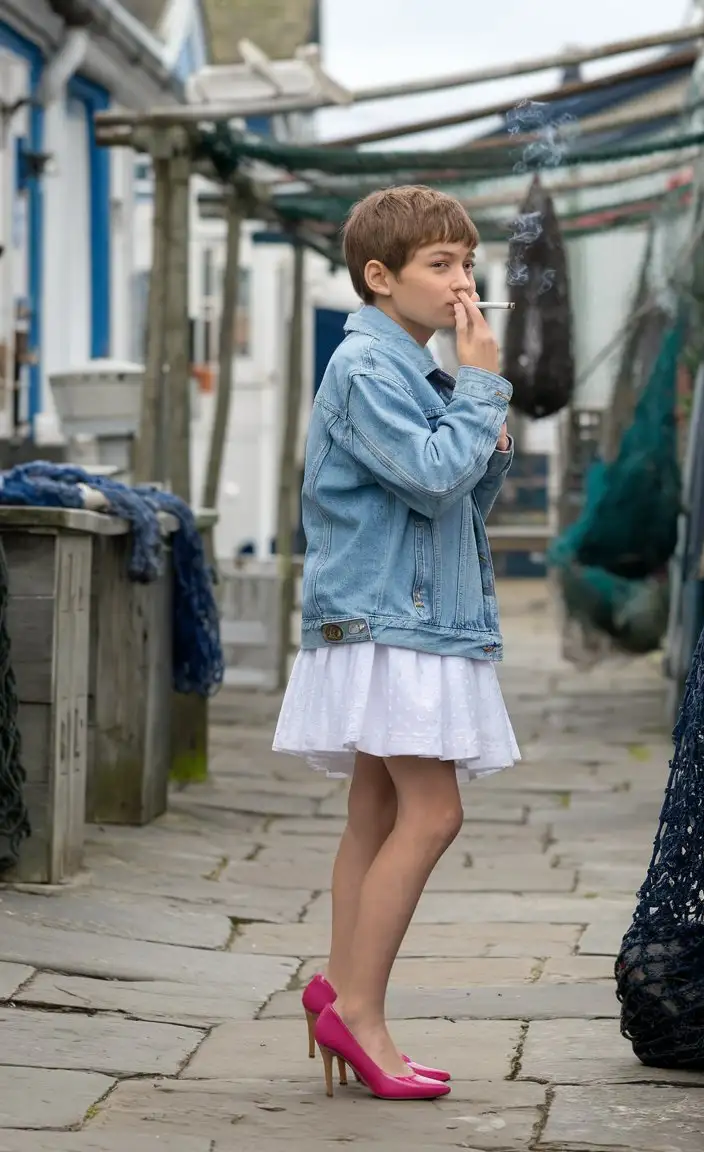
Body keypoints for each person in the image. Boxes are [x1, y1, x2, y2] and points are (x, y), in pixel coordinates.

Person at [273, 185, 521, 1101]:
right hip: (393, 621)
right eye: (441, 264)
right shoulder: (370, 368)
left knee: (375, 814)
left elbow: (459, 500)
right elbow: (429, 479)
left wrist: (480, 418)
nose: (464, 283)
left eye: (469, 263)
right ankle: (360, 1014)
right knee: (433, 814)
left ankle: (342, 992)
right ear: (379, 277)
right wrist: (482, 385)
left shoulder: (412, 369)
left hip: (399, 616)